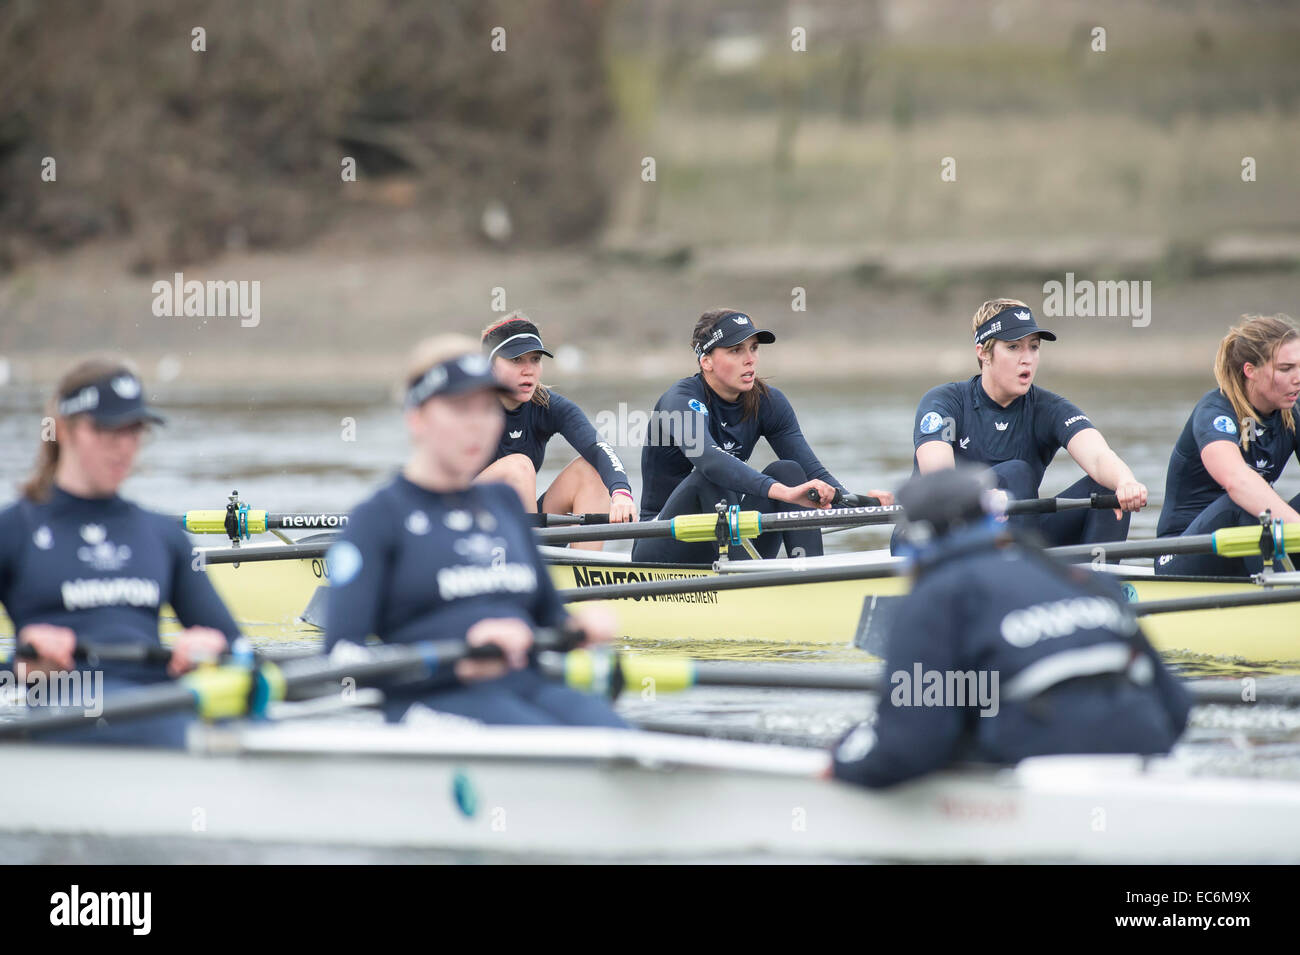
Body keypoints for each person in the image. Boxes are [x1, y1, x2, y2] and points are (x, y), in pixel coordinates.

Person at [324, 334, 628, 727]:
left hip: (525, 686)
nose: (479, 424)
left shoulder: (503, 505)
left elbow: (552, 619)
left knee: (623, 738)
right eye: (460, 408)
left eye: (487, 408)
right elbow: (341, 661)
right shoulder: (379, 518)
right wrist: (458, 655)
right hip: (437, 698)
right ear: (417, 419)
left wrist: (578, 631)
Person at [833, 468, 1189, 789]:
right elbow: (1177, 708)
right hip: (1147, 749)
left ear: (919, 538)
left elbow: (908, 746)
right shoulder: (1080, 577)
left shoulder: (935, 598)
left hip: (1047, 772)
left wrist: (842, 759)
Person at [0, 356, 236, 746]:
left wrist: (217, 651)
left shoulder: (163, 534)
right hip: (67, 711)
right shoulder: (14, 530)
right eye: (107, 430)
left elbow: (243, 653)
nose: (124, 447)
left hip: (158, 701)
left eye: (134, 431)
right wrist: (19, 670)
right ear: (63, 430)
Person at [634, 308, 892, 564]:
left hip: (726, 540)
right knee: (709, 478)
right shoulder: (680, 401)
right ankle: (747, 581)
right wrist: (785, 493)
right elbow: (710, 460)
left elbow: (815, 474)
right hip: (662, 540)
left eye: (754, 348)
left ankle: (810, 575)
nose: (750, 360)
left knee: (789, 471)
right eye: (736, 350)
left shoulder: (768, 402)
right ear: (706, 361)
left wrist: (860, 505)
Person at [892, 297, 1146, 554]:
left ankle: (1097, 585)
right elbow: (939, 475)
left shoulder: (1048, 408)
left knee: (1106, 487)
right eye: (1013, 347)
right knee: (1018, 472)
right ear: (983, 352)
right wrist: (979, 498)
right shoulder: (945, 402)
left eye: (1033, 347)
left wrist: (1125, 481)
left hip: (1014, 534)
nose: (1027, 359)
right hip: (935, 537)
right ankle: (1021, 577)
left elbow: (1099, 457)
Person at [475, 312, 635, 551]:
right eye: (516, 360)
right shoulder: (465, 406)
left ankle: (585, 574)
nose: (528, 370)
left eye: (535, 359)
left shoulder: (547, 405)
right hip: (468, 525)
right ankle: (531, 563)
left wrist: (621, 493)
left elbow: (598, 447)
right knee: (519, 465)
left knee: (590, 469)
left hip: (522, 529)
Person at [1156, 314, 1300, 576]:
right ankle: (1282, 596)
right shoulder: (1215, 411)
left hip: (1248, 542)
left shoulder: (1293, 413)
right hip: (1182, 553)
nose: (1297, 377)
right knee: (1245, 502)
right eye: (1285, 369)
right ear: (1250, 371)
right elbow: (1237, 482)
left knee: (1258, 509)